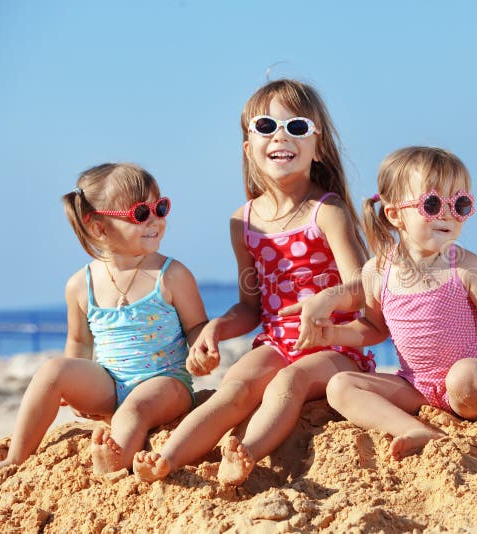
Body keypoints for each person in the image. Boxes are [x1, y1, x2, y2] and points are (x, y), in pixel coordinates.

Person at [133, 79, 373, 486]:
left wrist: (325, 300)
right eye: (266, 126)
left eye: (297, 127)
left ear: (317, 146)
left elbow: (362, 286)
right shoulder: (242, 222)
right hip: (278, 341)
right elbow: (251, 306)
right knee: (236, 386)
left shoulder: (326, 211)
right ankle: (167, 458)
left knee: (289, 381)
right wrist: (216, 329)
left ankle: (249, 452)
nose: (281, 135)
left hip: (334, 344)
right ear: (249, 147)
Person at [292, 146, 477, 459]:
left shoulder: (465, 267)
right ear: (394, 215)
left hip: (466, 391)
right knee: (340, 386)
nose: (448, 213)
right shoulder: (377, 271)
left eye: (460, 203)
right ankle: (418, 430)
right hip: (416, 388)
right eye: (433, 203)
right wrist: (334, 336)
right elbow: (373, 327)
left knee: (466, 375)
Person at [0, 163, 208, 476]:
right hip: (109, 383)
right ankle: (16, 457)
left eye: (160, 208)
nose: (156, 221)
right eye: (141, 214)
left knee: (136, 408)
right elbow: (79, 341)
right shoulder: (81, 284)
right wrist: (74, 385)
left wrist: (202, 347)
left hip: (166, 383)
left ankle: (115, 465)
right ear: (99, 228)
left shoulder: (171, 275)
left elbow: (196, 326)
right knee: (52, 370)